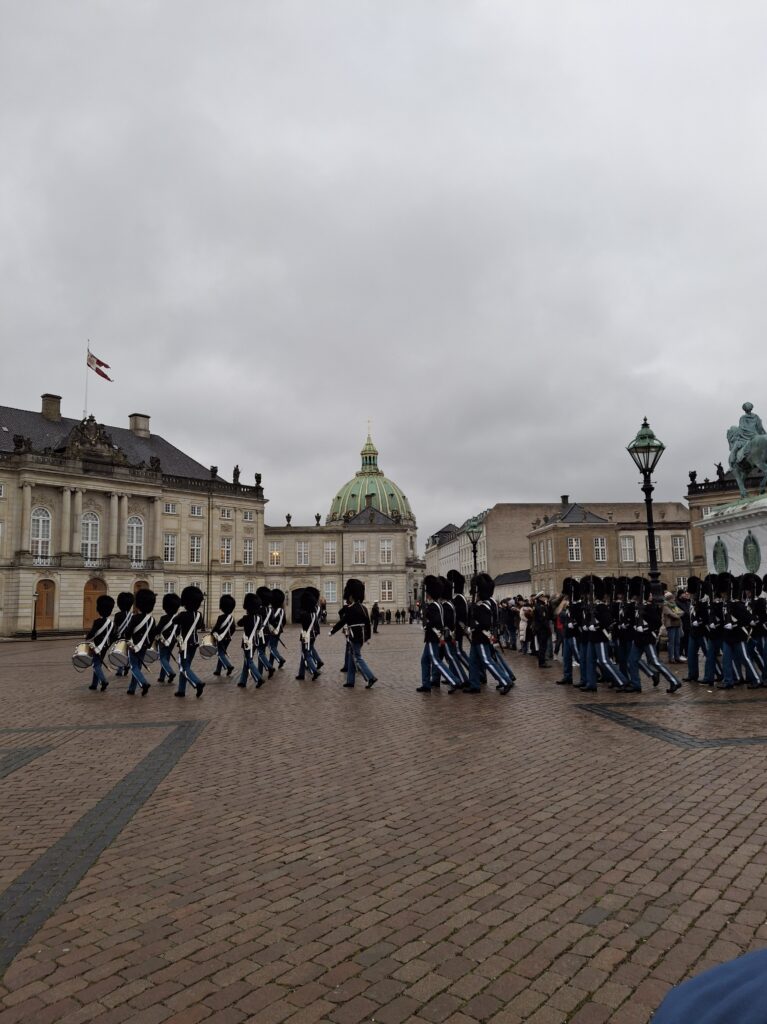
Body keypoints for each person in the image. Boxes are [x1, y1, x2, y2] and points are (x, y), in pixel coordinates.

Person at [465, 573, 515, 694]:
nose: (474, 596)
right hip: (477, 638)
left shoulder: (483, 606)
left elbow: (485, 624)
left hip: (481, 637)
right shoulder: (479, 605)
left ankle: (505, 681)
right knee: (473, 662)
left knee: (487, 661)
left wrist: (473, 626)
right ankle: (474, 684)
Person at [417, 576, 461, 692]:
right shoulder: (437, 605)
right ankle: (426, 684)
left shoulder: (433, 606)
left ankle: (454, 681)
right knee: (425, 660)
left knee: (436, 661)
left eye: (428, 593)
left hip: (433, 637)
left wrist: (427, 624)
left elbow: (436, 622)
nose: (426, 594)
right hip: (432, 637)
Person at [330, 578, 377, 688]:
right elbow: (368, 623)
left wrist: (332, 631)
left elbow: (343, 621)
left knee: (357, 657)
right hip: (361, 637)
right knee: (351, 658)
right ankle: (350, 681)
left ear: (351, 596)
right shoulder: (364, 608)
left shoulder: (350, 609)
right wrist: (367, 637)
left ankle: (371, 677)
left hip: (354, 636)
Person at [175, 585, 206, 698]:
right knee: (186, 666)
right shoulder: (199, 615)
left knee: (183, 667)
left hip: (185, 644)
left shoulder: (183, 615)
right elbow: (200, 626)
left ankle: (197, 683)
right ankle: (181, 690)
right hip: (194, 643)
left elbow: (174, 621)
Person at [125, 588, 157, 697]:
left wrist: (128, 640)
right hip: (144, 646)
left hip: (134, 646)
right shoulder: (152, 620)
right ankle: (132, 689)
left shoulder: (135, 618)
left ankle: (144, 683)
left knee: (133, 667)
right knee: (137, 667)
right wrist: (148, 645)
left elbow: (128, 632)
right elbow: (152, 634)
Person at [84, 594, 115, 692]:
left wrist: (87, 637)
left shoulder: (97, 621)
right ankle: (94, 684)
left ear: (99, 609)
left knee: (96, 665)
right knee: (98, 664)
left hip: (97, 646)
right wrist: (107, 645)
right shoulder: (112, 623)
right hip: (105, 647)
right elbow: (113, 637)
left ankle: (103, 681)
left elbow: (92, 633)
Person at [238, 592, 265, 688]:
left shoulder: (246, 618)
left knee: (248, 660)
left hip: (247, 642)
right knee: (247, 660)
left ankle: (259, 677)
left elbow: (239, 623)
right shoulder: (259, 618)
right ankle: (243, 681)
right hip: (255, 641)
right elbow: (260, 627)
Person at [296, 589, 322, 680]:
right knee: (304, 653)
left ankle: (314, 671)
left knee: (306, 653)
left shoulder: (304, 614)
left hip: (306, 635)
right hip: (313, 635)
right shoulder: (314, 614)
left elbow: (300, 621)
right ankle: (301, 674)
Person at [156, 592, 181, 684]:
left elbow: (158, 629)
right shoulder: (177, 618)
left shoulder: (164, 618)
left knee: (162, 658)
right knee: (166, 658)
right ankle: (162, 677)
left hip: (163, 640)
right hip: (172, 641)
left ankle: (170, 672)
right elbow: (178, 631)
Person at [111, 591, 136, 678]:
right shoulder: (133, 615)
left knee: (120, 653)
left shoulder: (117, 615)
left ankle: (120, 670)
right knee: (128, 653)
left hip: (120, 637)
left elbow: (115, 627)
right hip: (130, 638)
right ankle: (127, 665)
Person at [211, 594, 236, 677]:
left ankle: (229, 666)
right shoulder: (232, 618)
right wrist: (229, 635)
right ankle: (218, 670)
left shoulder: (221, 617)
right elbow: (233, 628)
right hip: (228, 638)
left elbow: (216, 628)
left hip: (220, 639)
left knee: (220, 654)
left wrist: (212, 633)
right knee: (222, 653)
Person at [267, 589, 287, 669]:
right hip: (278, 631)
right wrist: (279, 629)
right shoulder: (282, 610)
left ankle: (280, 659)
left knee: (271, 647)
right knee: (274, 647)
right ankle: (270, 664)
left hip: (272, 631)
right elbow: (284, 621)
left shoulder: (272, 609)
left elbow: (270, 620)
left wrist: (273, 628)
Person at [662, 592, 684, 664]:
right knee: (671, 642)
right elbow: (671, 614)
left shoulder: (674, 605)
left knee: (677, 642)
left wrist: (677, 614)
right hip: (671, 625)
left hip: (677, 625)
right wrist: (678, 615)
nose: (673, 599)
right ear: (669, 598)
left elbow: (681, 612)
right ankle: (671, 658)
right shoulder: (665, 605)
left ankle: (677, 657)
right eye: (672, 598)